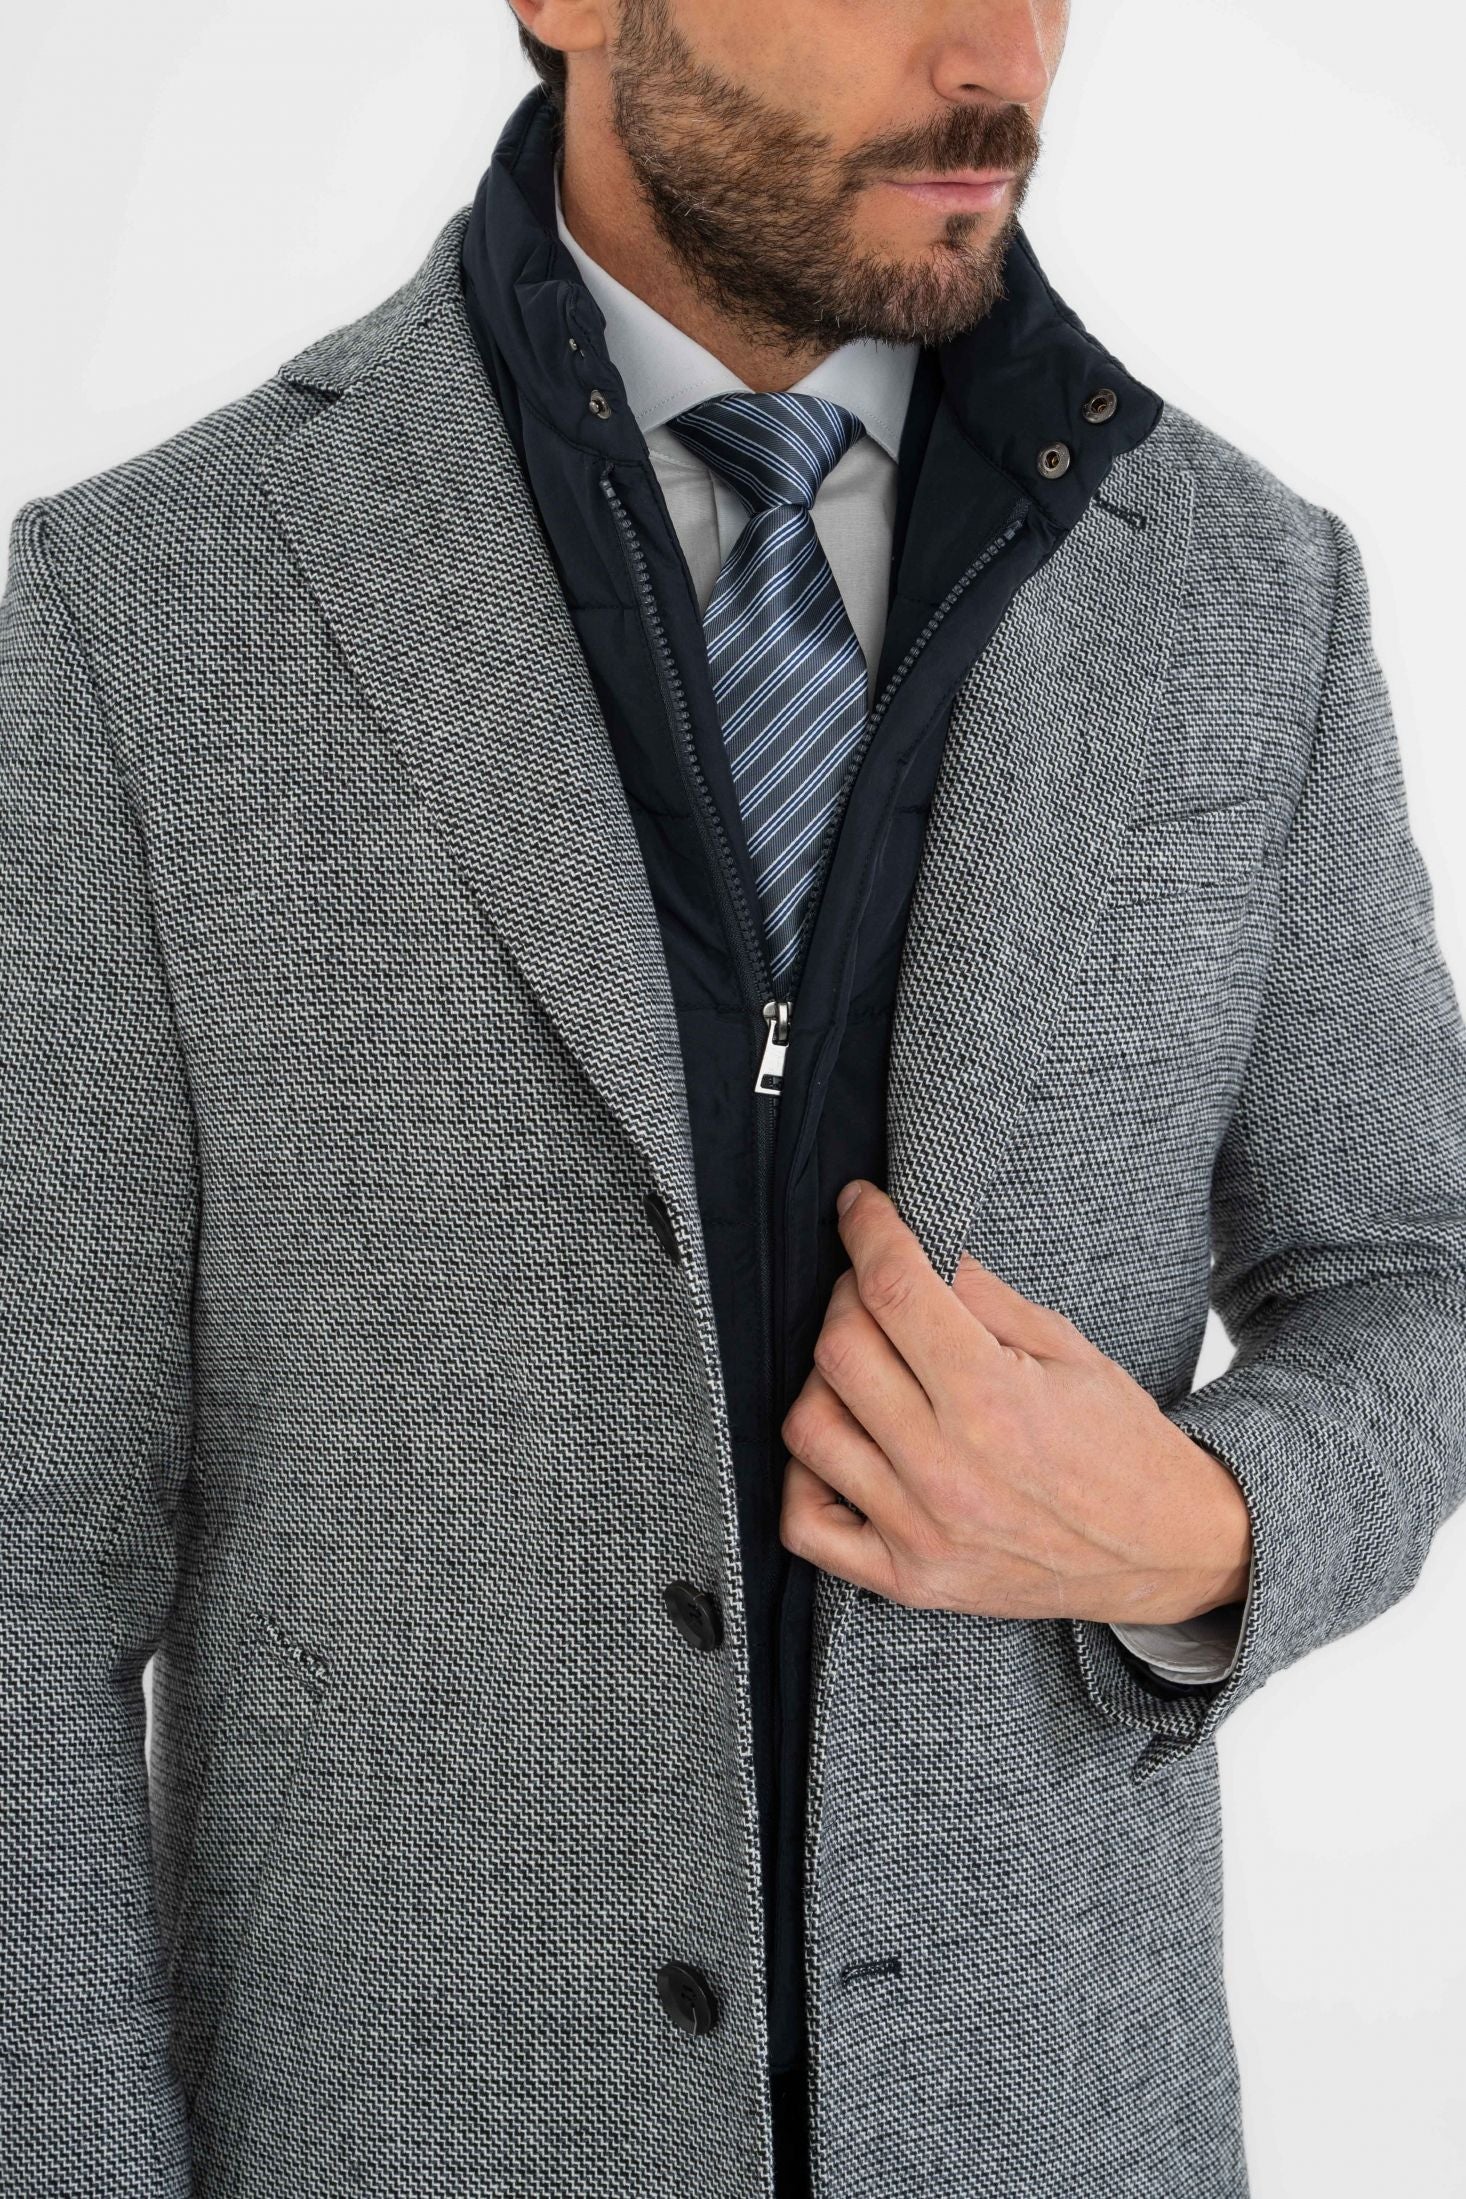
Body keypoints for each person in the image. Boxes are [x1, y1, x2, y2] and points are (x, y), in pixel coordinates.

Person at [2, 0, 1462, 2192]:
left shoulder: (1248, 591)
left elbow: (1414, 1271)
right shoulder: (152, 605)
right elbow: (25, 1557)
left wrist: (1208, 1529)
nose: (1002, 53)